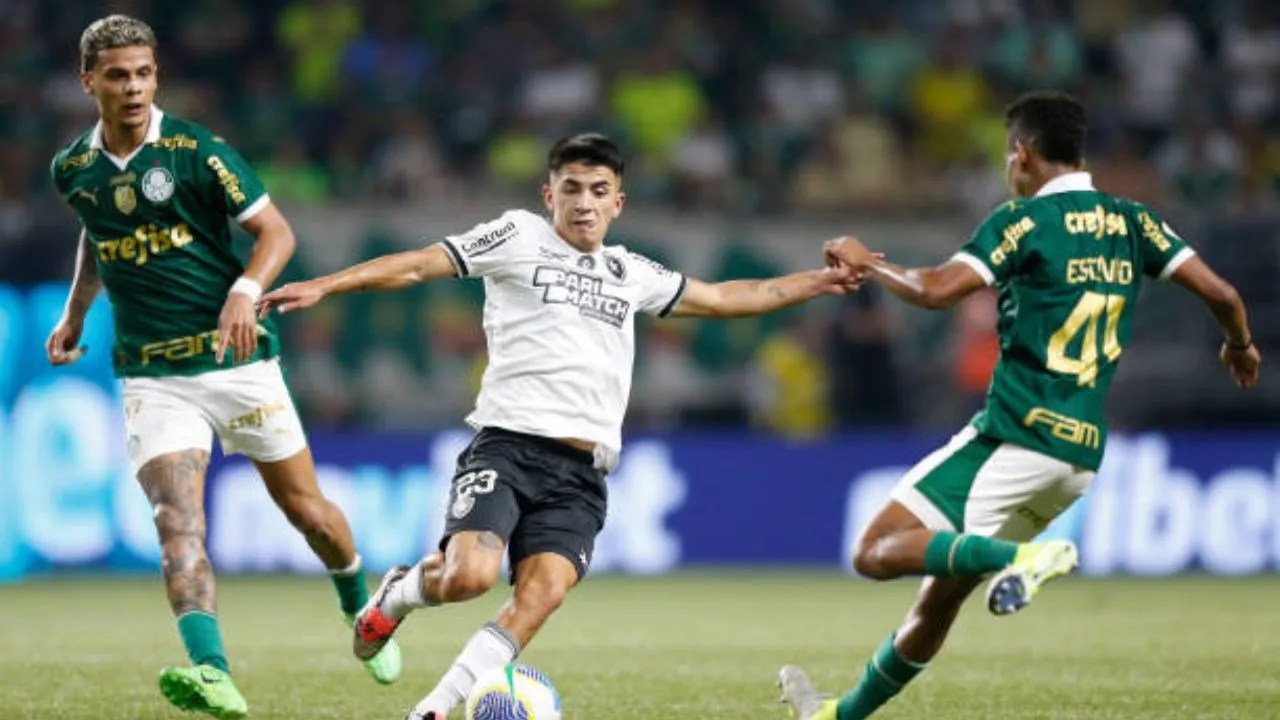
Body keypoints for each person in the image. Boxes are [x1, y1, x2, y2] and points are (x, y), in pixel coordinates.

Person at [258, 132, 860, 720]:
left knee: (540, 595)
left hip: (583, 471)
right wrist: (326, 284)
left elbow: (730, 298)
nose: (584, 202)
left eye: (599, 190)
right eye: (571, 188)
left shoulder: (631, 272)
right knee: (468, 577)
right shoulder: (518, 235)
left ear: (617, 203)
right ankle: (399, 594)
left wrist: (823, 280)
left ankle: (434, 710)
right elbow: (420, 265)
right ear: (549, 195)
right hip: (508, 448)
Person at [777, 91, 1261, 720]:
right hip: (1078, 459)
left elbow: (934, 291)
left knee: (874, 550)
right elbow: (1223, 293)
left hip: (1015, 435)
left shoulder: (1021, 221)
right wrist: (1241, 347)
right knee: (940, 597)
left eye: (1010, 157)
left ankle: (1029, 558)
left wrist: (867, 263)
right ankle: (836, 717)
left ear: (1024, 154)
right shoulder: (1132, 221)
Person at [46, 15, 401, 720]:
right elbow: (100, 235)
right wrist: (75, 313)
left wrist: (244, 291)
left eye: (144, 73)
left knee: (309, 513)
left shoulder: (196, 150)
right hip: (151, 372)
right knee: (176, 520)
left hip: (237, 361)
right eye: (118, 75)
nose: (134, 87)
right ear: (90, 82)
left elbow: (276, 231)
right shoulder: (73, 170)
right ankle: (213, 674)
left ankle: (360, 604)